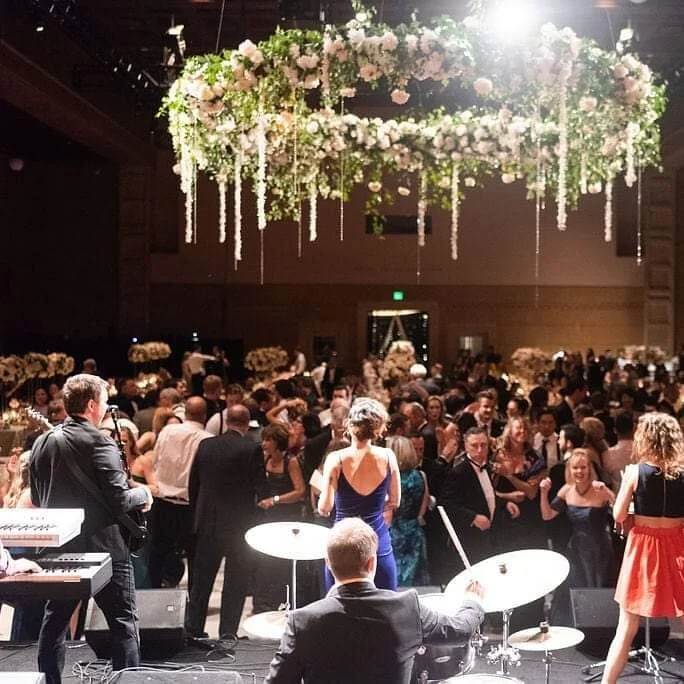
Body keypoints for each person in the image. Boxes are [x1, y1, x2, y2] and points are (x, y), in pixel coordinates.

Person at [30, 374, 152, 684]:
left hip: (59, 548)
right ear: (91, 405)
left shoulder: (43, 442)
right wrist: (144, 493)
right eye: (104, 402)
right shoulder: (100, 442)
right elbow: (120, 500)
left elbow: (37, 497)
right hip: (104, 549)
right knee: (123, 623)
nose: (106, 408)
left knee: (54, 623)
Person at [264, 518, 485, 684]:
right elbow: (461, 630)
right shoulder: (407, 607)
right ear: (372, 563)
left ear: (328, 564)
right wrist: (473, 600)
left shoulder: (302, 621)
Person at [600, 413, 684, 684]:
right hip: (676, 545)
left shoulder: (635, 472)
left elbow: (618, 514)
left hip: (644, 549)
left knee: (626, 626)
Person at [185, 405, 268, 639]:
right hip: (239, 525)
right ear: (247, 423)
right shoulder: (251, 448)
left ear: (226, 421)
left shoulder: (206, 445)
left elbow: (194, 484)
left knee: (201, 581)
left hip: (208, 522)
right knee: (235, 581)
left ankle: (193, 630)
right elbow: (260, 489)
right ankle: (228, 632)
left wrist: (198, 515)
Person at [318, 398, 400, 591]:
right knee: (385, 602)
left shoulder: (335, 459)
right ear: (377, 429)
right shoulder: (388, 456)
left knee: (339, 604)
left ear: (349, 424)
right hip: (377, 540)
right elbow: (395, 501)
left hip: (343, 542)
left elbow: (325, 508)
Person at [540, 449, 615, 624]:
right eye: (575, 468)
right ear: (569, 470)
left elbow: (620, 510)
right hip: (577, 549)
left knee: (601, 588)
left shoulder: (599, 489)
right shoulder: (567, 490)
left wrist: (607, 491)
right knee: (576, 588)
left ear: (589, 469)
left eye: (583, 467)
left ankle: (601, 628)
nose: (579, 471)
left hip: (600, 550)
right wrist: (543, 493)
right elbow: (547, 515)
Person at [387, 436, 430, 586]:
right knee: (416, 584)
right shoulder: (421, 476)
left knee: (395, 583)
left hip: (393, 534)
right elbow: (423, 508)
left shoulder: (389, 479)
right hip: (415, 533)